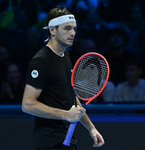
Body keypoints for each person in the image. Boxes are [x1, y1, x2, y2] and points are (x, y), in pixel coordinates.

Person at [22, 7, 104, 150]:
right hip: (48, 143)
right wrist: (65, 115)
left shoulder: (65, 56)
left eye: (74, 29)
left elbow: (71, 97)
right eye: (67, 28)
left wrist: (91, 128)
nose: (72, 33)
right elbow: (27, 105)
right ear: (52, 30)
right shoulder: (41, 61)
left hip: (67, 140)